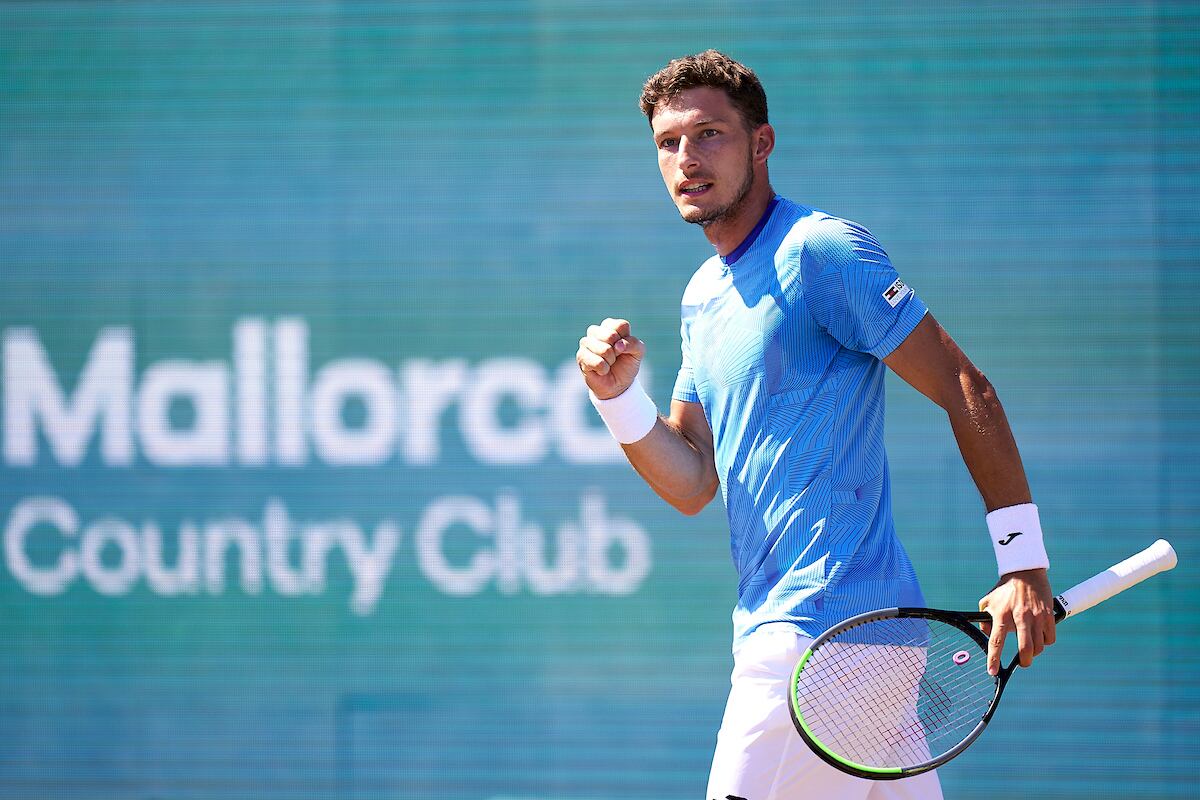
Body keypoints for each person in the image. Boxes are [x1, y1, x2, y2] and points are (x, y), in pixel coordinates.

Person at [575, 50, 1058, 799]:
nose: (686, 160)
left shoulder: (820, 251)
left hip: (820, 645)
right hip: (855, 649)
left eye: (709, 135)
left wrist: (1023, 564)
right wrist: (616, 400)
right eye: (667, 144)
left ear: (761, 144)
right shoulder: (703, 295)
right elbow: (694, 479)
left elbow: (967, 387)